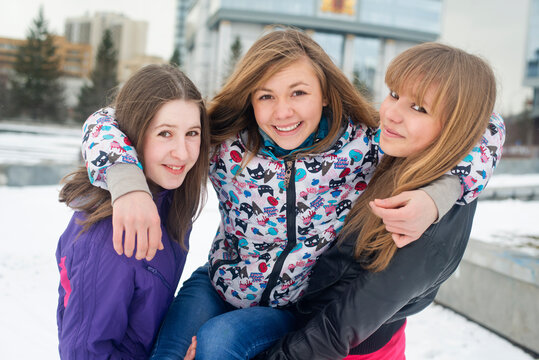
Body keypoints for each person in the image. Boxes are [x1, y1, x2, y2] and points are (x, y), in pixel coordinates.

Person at [80, 29, 504, 359]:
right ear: (251, 99)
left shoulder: (363, 146)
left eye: (298, 93)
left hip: (289, 307)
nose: (282, 112)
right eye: (266, 96)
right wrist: (128, 186)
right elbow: (107, 120)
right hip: (217, 284)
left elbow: (484, 126)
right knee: (168, 354)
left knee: (217, 343)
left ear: (324, 94)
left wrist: (440, 193)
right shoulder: (225, 144)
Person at [256, 42, 505, 359]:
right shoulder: (397, 156)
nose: (390, 113)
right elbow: (491, 125)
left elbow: (336, 332)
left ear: (457, 127)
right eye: (395, 94)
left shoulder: (424, 229)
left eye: (419, 108)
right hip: (304, 322)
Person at [55, 64, 210, 358]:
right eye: (165, 133)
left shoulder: (168, 200)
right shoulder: (110, 236)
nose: (183, 152)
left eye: (192, 133)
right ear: (133, 134)